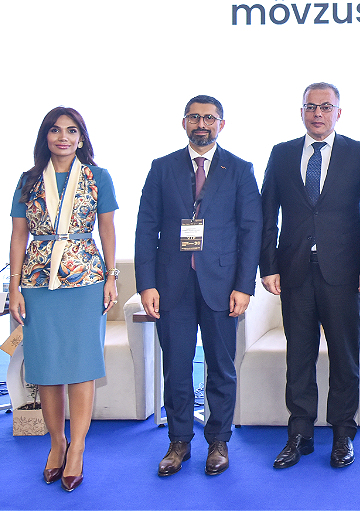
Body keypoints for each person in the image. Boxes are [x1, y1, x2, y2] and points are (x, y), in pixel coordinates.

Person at [135, 95, 263, 477]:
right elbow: (146, 229)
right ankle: (178, 442)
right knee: (176, 367)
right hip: (171, 284)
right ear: (184, 123)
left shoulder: (239, 169)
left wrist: (245, 286)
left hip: (222, 285)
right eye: (194, 117)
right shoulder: (162, 168)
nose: (201, 124)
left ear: (221, 124)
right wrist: (146, 284)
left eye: (209, 118)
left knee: (221, 367)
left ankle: (218, 441)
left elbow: (251, 230)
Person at [8, 106, 118, 493]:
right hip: (38, 282)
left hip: (85, 279)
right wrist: (14, 287)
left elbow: (107, 229)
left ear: (81, 138)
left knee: (81, 365)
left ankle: (78, 448)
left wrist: (111, 277)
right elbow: (18, 235)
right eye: (55, 130)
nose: (63, 137)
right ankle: (57, 444)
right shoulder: (28, 180)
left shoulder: (98, 177)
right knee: (47, 366)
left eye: (72, 131)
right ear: (46, 137)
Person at [260, 82, 360, 471]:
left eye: (325, 107)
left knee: (345, 357)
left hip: (345, 272)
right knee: (299, 356)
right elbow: (266, 213)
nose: (317, 113)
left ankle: (342, 433)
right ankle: (300, 433)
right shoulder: (282, 153)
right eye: (310, 107)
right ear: (301, 111)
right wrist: (268, 266)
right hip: (294, 271)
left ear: (339, 112)